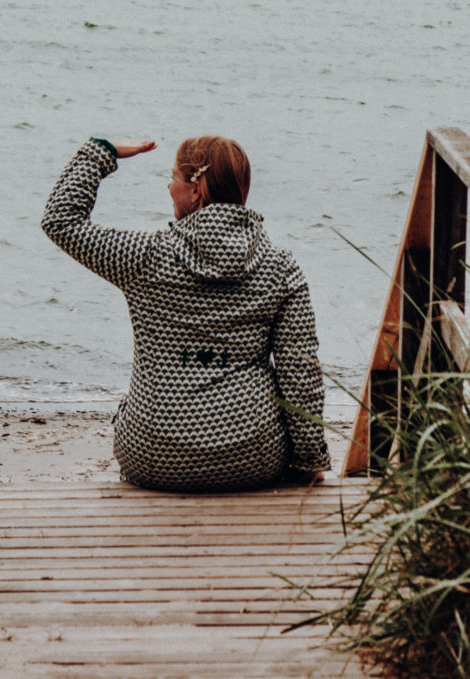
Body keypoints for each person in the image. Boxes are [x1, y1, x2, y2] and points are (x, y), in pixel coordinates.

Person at [41, 134, 331, 491]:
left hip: (151, 456)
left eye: (174, 179)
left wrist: (99, 153)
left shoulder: (143, 256)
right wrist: (308, 462)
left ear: (195, 189)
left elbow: (60, 220)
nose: (169, 188)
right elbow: (299, 373)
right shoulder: (280, 267)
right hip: (253, 457)